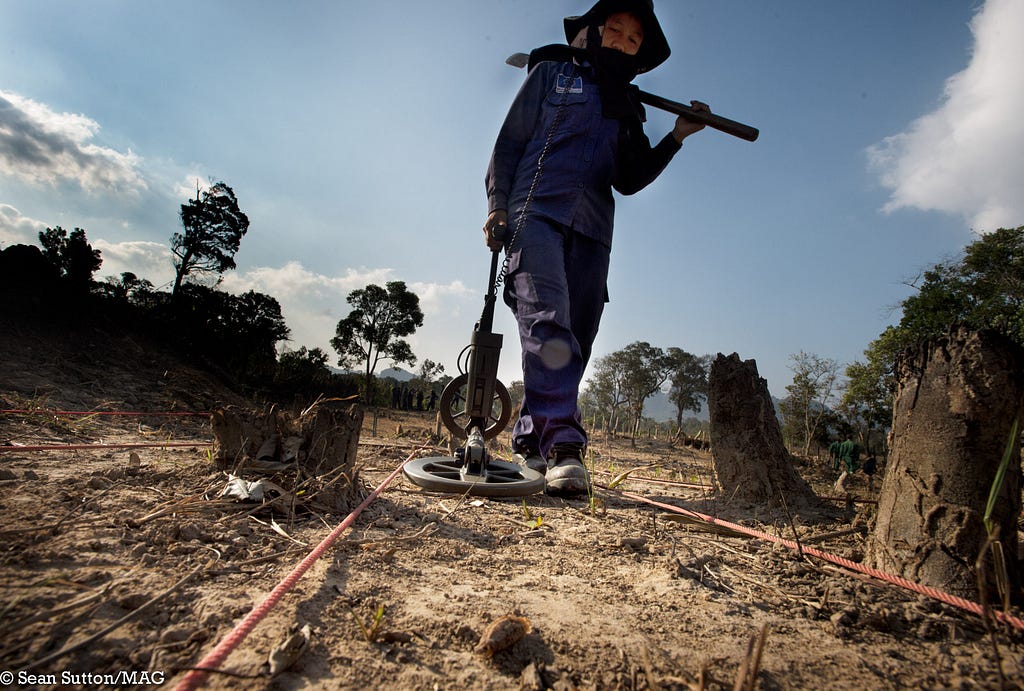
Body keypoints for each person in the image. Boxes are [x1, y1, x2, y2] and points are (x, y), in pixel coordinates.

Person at [484, 0, 709, 496]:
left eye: (634, 39)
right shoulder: (551, 74)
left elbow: (628, 180)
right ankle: (565, 447)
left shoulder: (628, 107)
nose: (623, 41)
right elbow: (509, 142)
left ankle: (530, 441)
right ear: (592, 31)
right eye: (615, 30)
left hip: (592, 230)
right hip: (535, 210)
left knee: (577, 334)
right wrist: (498, 206)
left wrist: (675, 137)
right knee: (549, 321)